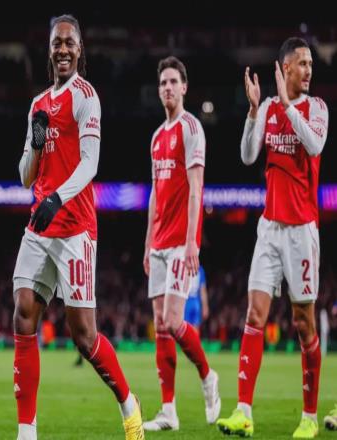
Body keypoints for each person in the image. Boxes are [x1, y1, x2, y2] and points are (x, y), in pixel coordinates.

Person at [12, 14, 144, 440]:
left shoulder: (86, 97)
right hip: (40, 225)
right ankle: (27, 431)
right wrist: (36, 145)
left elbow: (91, 164)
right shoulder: (37, 104)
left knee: (84, 337)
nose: (63, 49)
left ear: (80, 49)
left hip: (74, 228)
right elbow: (24, 176)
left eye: (70, 42)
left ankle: (128, 401)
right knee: (23, 315)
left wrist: (57, 198)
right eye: (57, 42)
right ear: (49, 49)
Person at [216, 37, 328, 439]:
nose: (309, 70)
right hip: (269, 228)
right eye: (302, 63)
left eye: (311, 63)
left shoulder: (317, 108)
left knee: (303, 323)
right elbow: (248, 155)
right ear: (286, 68)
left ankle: (309, 417)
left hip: (302, 231)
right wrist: (253, 111)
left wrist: (287, 104)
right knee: (254, 315)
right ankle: (244, 411)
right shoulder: (267, 108)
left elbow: (314, 144)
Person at [142, 56, 221, 432]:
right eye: (163, 83)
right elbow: (155, 194)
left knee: (174, 322)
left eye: (174, 81)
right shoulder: (157, 137)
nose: (168, 88)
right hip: (158, 242)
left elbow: (196, 188)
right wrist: (147, 243)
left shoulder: (191, 128)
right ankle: (168, 411)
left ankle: (207, 376)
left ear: (184, 87)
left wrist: (192, 242)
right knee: (160, 325)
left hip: (180, 243)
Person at [184, 265, 209, 331]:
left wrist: (205, 306)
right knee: (184, 326)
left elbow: (202, 289)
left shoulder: (200, 270)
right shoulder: (184, 267)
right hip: (185, 301)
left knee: (195, 326)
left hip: (195, 302)